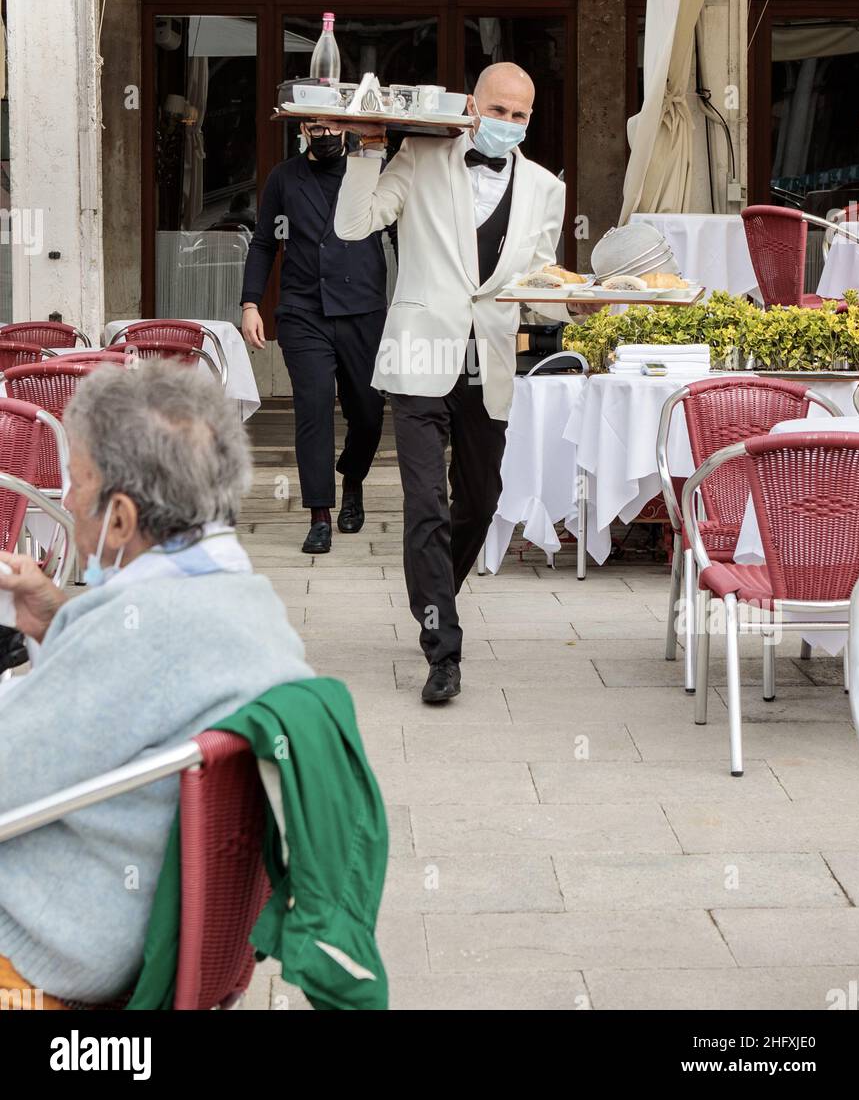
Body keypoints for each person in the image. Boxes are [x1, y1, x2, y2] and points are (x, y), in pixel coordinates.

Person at [0, 361, 313, 1007]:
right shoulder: (245, 604)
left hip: (55, 943)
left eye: (76, 482)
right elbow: (140, 699)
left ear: (119, 519)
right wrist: (59, 620)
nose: (65, 500)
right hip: (148, 926)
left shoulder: (135, 634)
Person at [335, 62, 580, 704]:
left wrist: (576, 302)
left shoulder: (545, 189)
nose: (506, 124)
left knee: (480, 498)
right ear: (472, 105)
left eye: (518, 116)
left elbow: (535, 284)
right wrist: (365, 148)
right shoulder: (420, 153)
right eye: (497, 111)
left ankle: (434, 596)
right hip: (420, 354)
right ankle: (443, 647)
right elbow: (354, 225)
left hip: (487, 362)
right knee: (426, 503)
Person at [241, 121, 388, 555]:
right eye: (313, 126)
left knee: (369, 412)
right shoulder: (284, 177)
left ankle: (354, 478)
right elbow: (265, 242)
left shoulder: (369, 171)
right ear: (302, 125)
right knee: (314, 408)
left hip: (364, 309)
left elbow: (404, 233)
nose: (322, 133)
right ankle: (319, 514)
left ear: (345, 126)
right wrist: (251, 303)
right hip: (304, 310)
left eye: (330, 125)